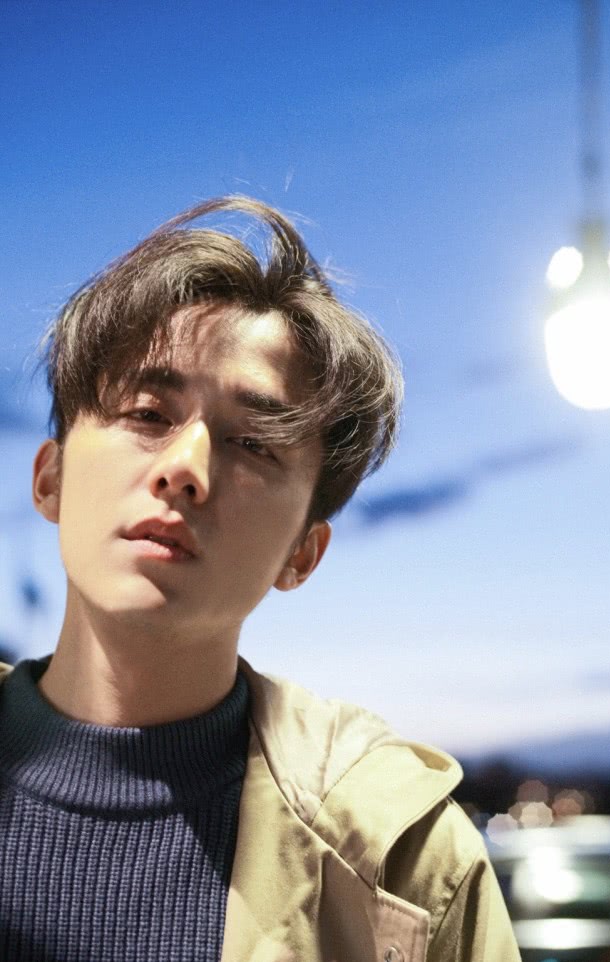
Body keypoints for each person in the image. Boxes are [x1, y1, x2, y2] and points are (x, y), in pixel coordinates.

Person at [0, 196, 520, 961]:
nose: (185, 467)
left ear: (301, 554)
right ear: (50, 478)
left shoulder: (404, 864)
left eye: (252, 443)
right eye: (147, 413)